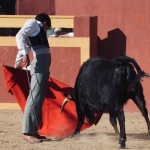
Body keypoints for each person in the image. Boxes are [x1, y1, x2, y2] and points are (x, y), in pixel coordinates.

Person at [14, 13, 51, 143]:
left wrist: (18, 63)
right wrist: (24, 55)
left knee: (38, 98)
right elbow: (20, 36)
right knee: (35, 97)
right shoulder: (33, 23)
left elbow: (27, 44)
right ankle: (28, 132)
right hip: (39, 65)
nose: (46, 31)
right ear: (45, 23)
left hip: (43, 65)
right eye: (47, 28)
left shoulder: (36, 30)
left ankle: (33, 131)